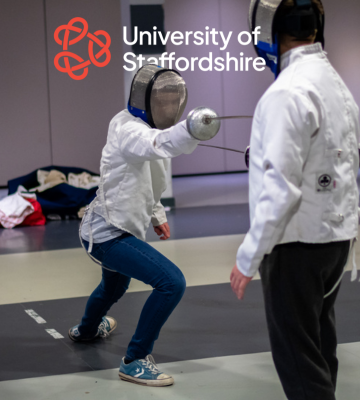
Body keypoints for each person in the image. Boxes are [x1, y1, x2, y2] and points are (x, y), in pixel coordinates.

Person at [230, 1, 359, 399]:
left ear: (266, 31)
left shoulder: (286, 91)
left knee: (299, 360)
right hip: (335, 241)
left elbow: (281, 189)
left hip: (296, 245)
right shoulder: (334, 82)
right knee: (319, 345)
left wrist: (248, 256)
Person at [68, 65, 201, 387]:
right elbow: (157, 145)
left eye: (173, 101)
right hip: (107, 233)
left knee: (114, 288)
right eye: (162, 101)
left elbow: (147, 175)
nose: (168, 107)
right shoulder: (130, 130)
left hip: (117, 226)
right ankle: (134, 360)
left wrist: (157, 214)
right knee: (171, 283)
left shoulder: (145, 127)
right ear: (144, 99)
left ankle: (86, 330)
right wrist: (193, 129)